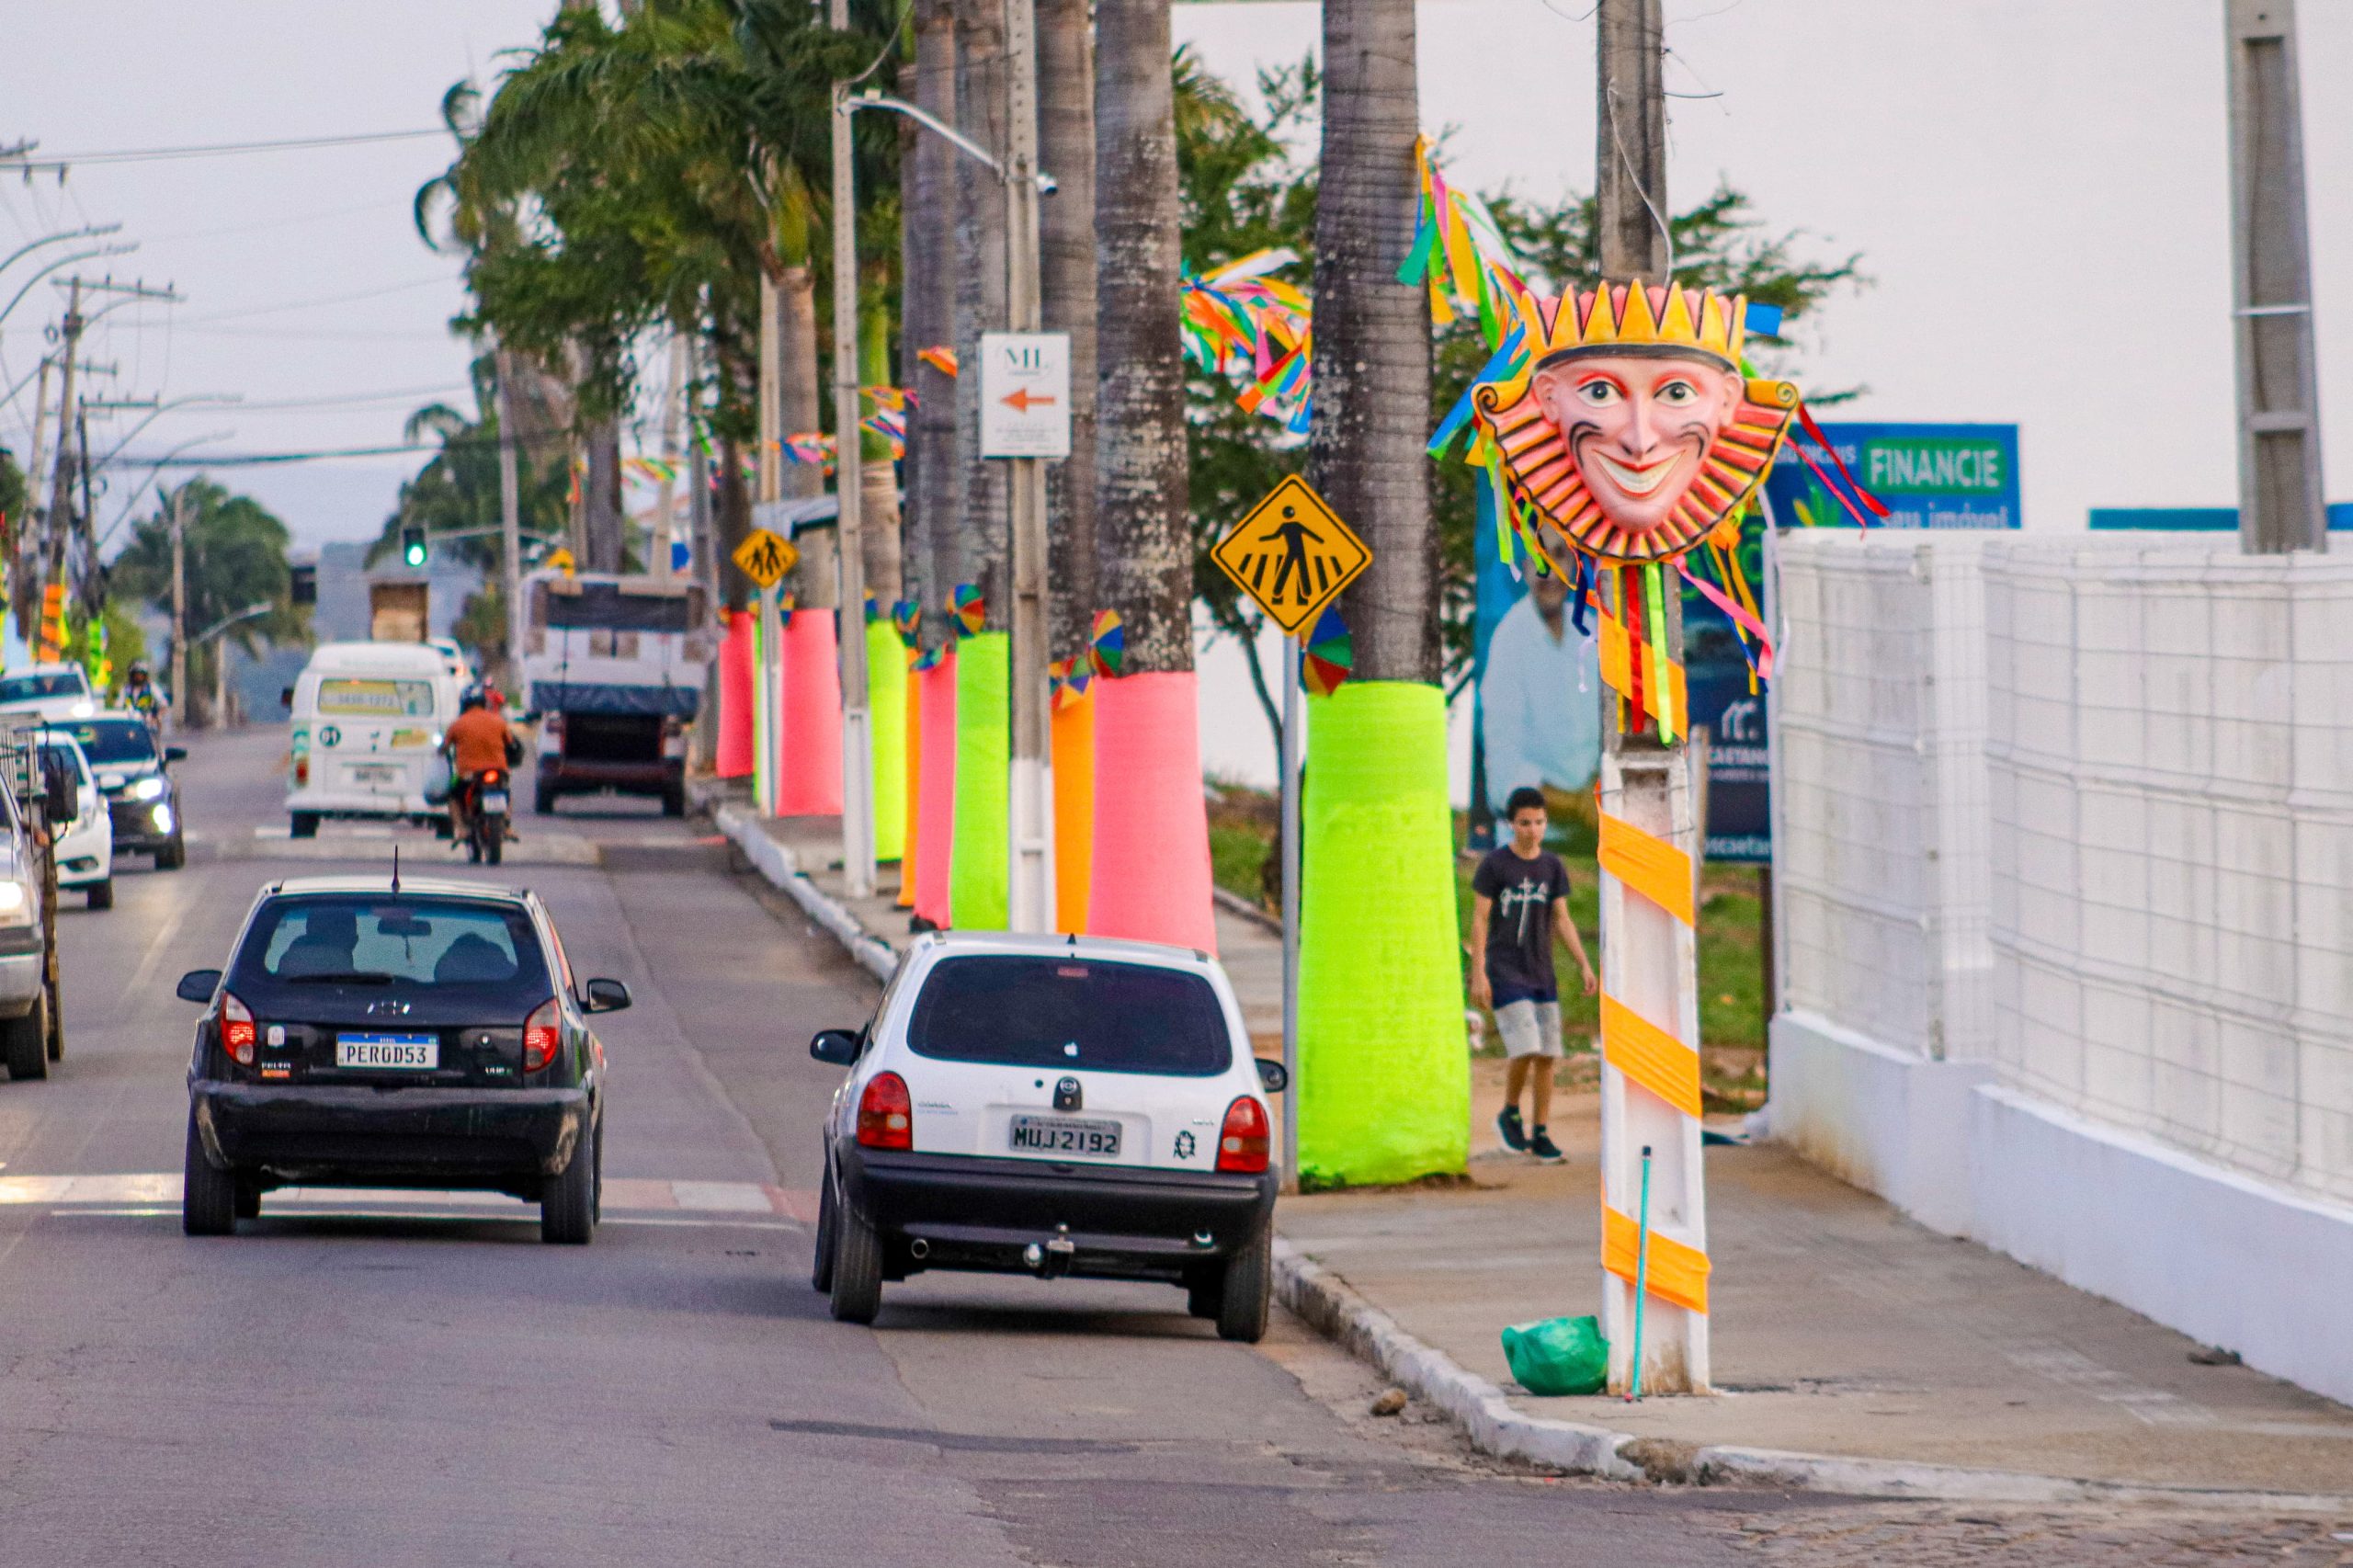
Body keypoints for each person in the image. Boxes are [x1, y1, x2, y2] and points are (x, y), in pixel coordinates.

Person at [1469, 786, 1597, 1163]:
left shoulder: (1551, 867)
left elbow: (1562, 918)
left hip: (1542, 973)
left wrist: (1583, 962)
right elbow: (1480, 919)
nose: (1532, 830)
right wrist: (1479, 972)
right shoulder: (1495, 865)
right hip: (1505, 971)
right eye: (1525, 823)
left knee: (1547, 1056)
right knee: (1525, 1046)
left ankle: (1540, 1131)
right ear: (1512, 824)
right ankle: (1510, 1111)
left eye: (1539, 822)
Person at [1479, 569, 1601, 818]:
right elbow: (1504, 772)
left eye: (1557, 555)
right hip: (1532, 836)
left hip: (1598, 832)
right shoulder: (1509, 639)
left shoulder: (1589, 627)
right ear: (1524, 567)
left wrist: (1599, 795)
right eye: (1538, 560)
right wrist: (1577, 805)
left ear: (1571, 562)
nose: (1549, 573)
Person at [442, 692, 518, 840]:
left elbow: (444, 747)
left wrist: (440, 751)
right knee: (506, 793)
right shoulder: (499, 722)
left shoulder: (457, 724)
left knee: (453, 797)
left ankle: (461, 829)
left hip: (468, 774)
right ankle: (507, 826)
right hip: (498, 771)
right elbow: (511, 744)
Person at [122, 663, 163, 727]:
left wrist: (157, 717)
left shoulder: (152, 688)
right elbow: (117, 707)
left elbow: (163, 704)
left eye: (141, 674)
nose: (138, 677)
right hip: (129, 724)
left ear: (145, 676)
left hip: (147, 725)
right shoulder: (125, 689)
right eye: (136, 674)